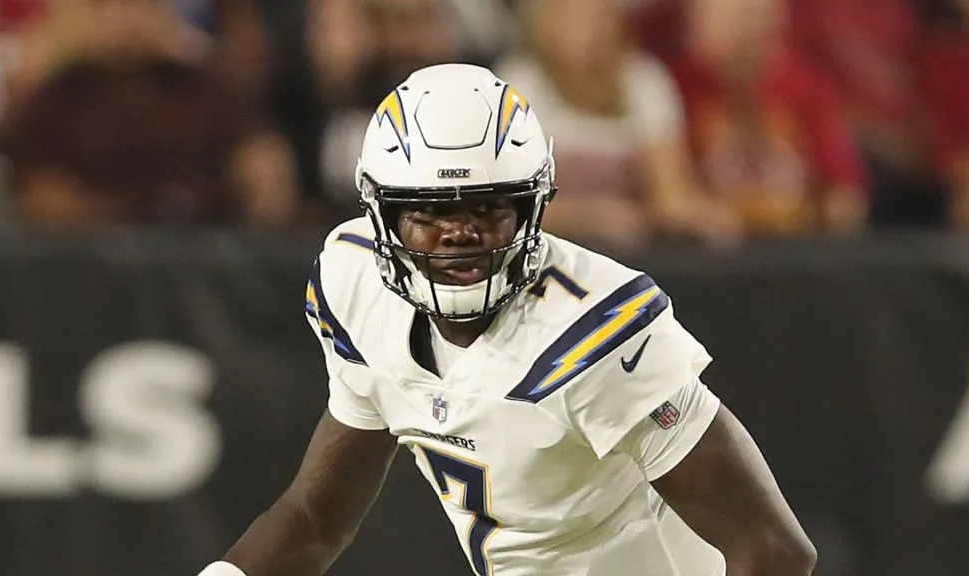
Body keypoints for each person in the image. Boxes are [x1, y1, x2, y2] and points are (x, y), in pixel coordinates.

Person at [196, 63, 817, 576]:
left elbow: (775, 550)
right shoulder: (357, 287)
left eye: (491, 208)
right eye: (430, 211)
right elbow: (314, 520)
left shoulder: (594, 331)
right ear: (382, 217)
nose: (461, 232)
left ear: (534, 208)